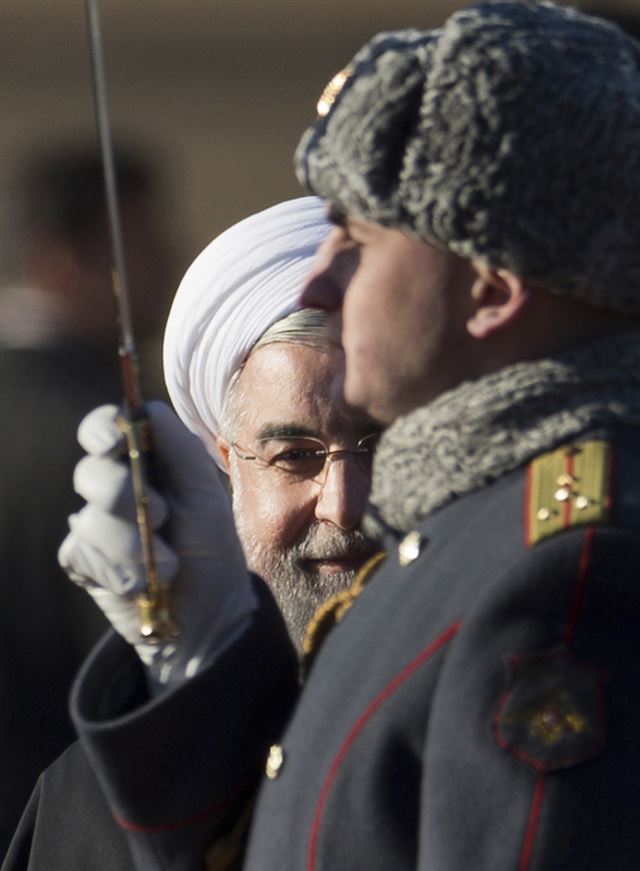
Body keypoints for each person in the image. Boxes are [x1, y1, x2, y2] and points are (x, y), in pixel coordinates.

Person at [11, 2, 640, 869]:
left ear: (493, 293)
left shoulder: (547, 571)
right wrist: (188, 676)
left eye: (361, 237)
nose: (325, 271)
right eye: (292, 453)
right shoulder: (469, 565)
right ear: (221, 461)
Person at [2, 196, 381, 869]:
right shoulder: (100, 795)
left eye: (386, 446)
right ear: (226, 469)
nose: (344, 506)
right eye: (294, 456)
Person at [0, 143, 175, 858]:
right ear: (61, 256)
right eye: (141, 241)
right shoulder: (110, 428)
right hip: (69, 820)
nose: (168, 261)